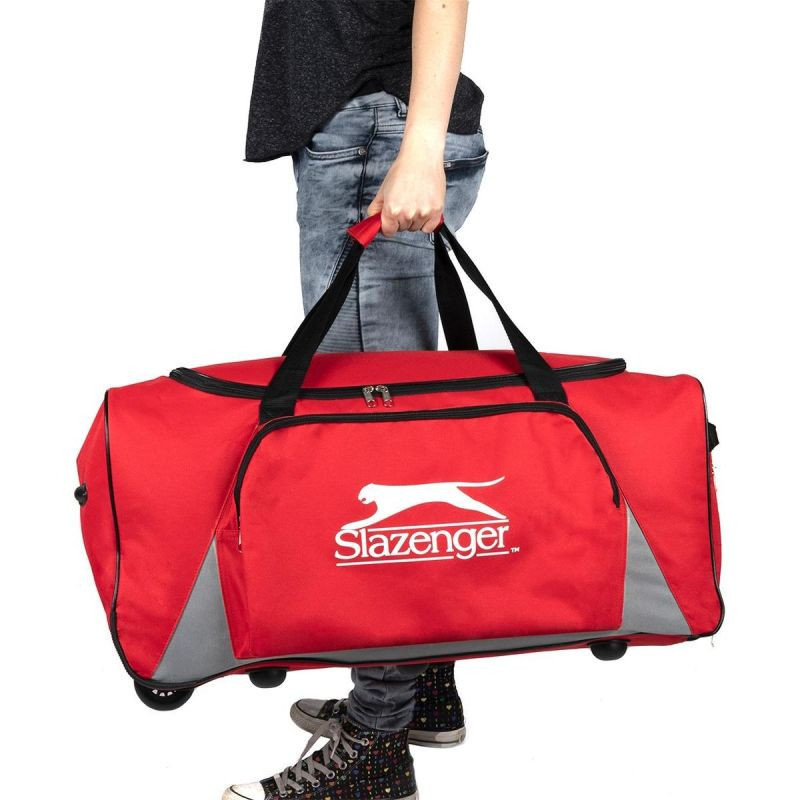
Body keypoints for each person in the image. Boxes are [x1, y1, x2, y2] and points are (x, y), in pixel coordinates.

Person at [224, 2, 485, 798]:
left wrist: (420, 147)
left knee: (370, 447)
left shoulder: (390, 135)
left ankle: (376, 742)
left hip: (380, 135)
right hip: (372, 127)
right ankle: (419, 686)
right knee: (391, 438)